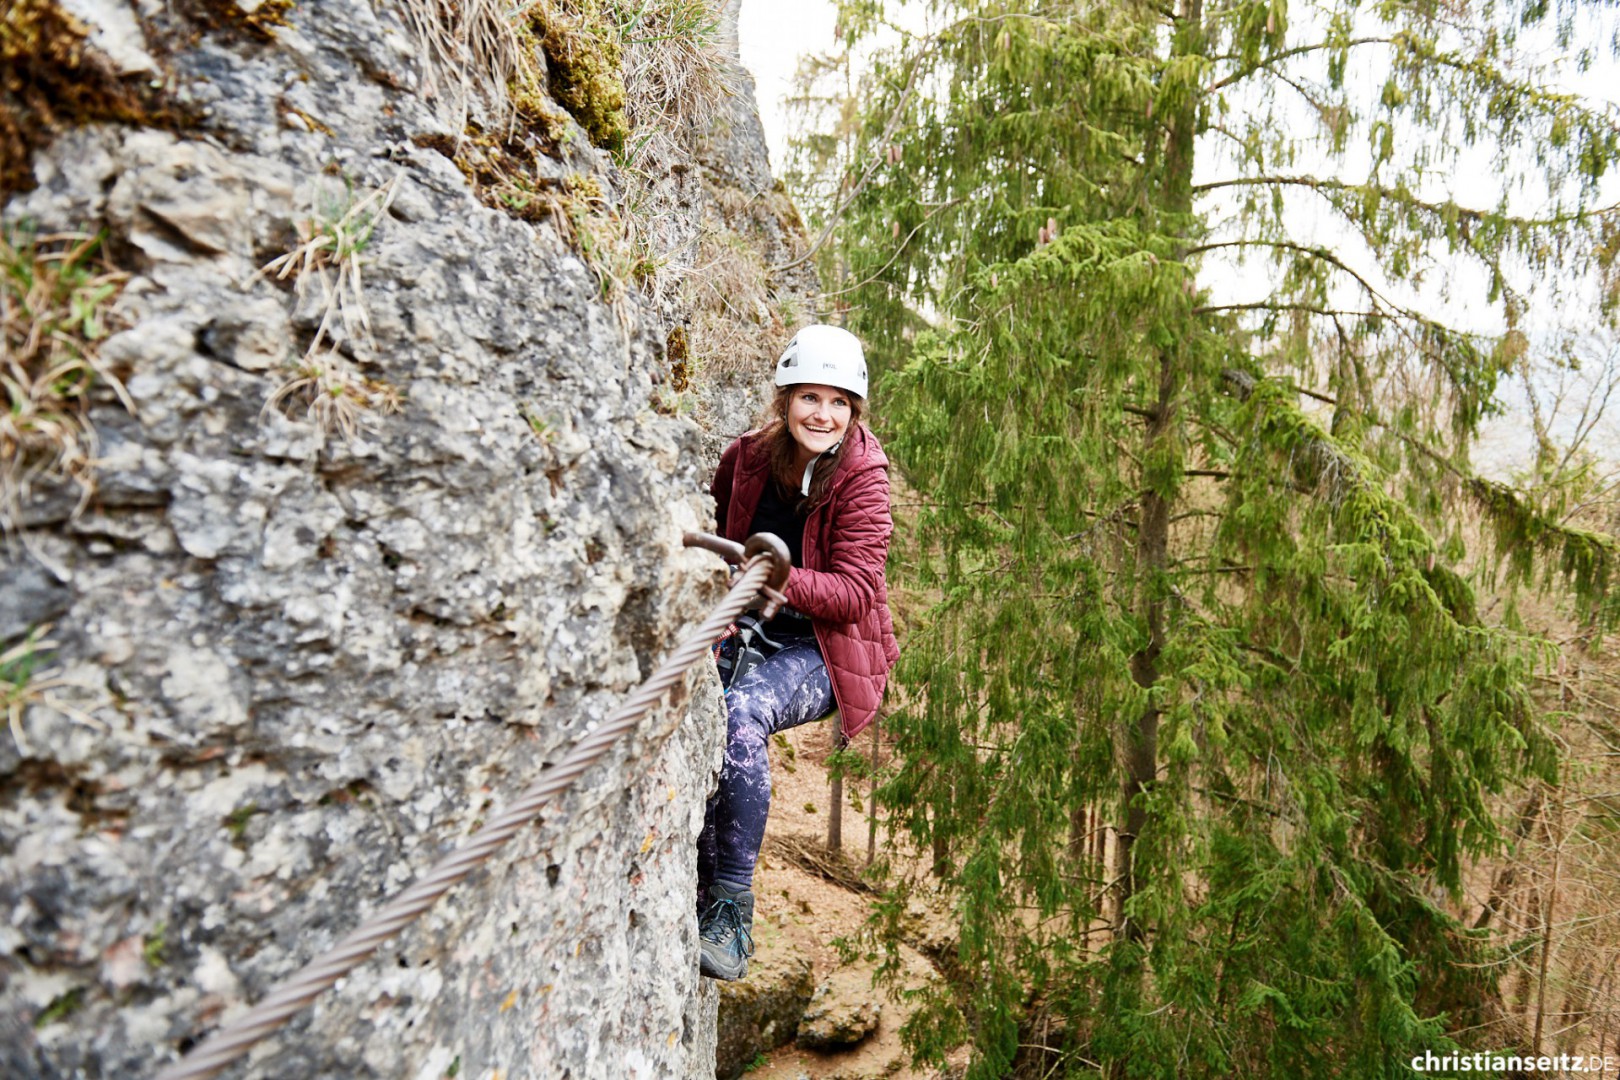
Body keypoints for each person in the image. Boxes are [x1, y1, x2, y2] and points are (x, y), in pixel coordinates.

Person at [697, 324, 901, 981]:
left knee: (741, 714)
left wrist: (770, 577)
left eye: (839, 401)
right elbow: (719, 526)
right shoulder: (747, 458)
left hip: (825, 645)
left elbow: (854, 594)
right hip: (747, 622)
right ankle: (697, 888)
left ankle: (731, 912)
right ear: (785, 400)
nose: (824, 413)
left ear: (855, 411)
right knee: (699, 713)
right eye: (811, 396)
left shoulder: (864, 477)